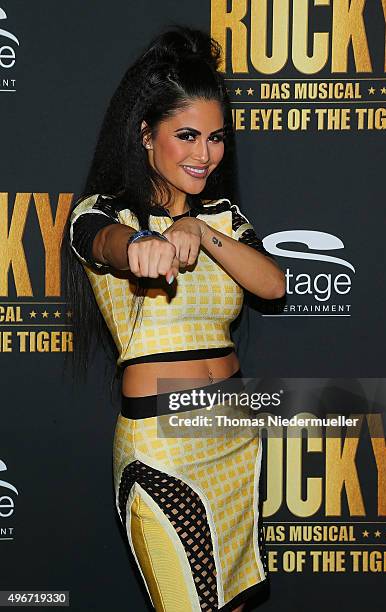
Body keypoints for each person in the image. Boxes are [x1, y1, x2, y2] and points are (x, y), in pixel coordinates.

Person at [64, 24, 285, 612]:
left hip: (235, 437)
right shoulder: (103, 212)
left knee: (234, 603)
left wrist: (198, 230)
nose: (203, 154)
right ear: (145, 134)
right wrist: (140, 244)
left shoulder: (223, 217)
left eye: (215, 138)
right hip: (164, 449)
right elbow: (104, 242)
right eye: (186, 135)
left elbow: (273, 282)